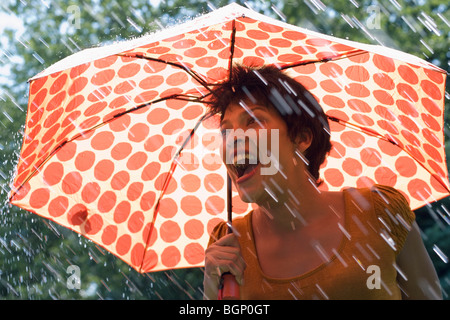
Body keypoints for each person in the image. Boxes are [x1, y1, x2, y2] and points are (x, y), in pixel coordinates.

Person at [202, 64, 442, 300]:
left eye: (253, 120)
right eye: (225, 131)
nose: (233, 139)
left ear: (302, 137)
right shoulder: (227, 248)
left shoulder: (379, 212)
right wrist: (213, 292)